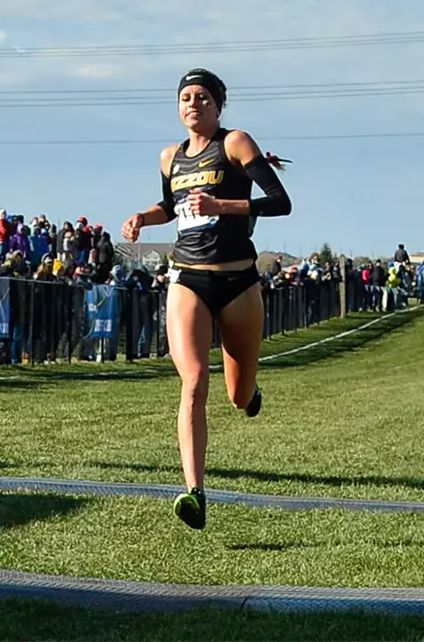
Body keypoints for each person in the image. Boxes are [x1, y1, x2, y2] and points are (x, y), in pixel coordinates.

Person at [119, 68, 291, 530]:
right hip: (187, 279)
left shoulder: (235, 143)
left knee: (236, 396)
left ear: (218, 105)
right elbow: (171, 207)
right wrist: (142, 218)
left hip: (238, 282)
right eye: (185, 98)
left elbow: (279, 201)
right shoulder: (168, 157)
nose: (192, 104)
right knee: (193, 381)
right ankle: (194, 492)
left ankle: (251, 391)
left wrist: (223, 206)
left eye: (202, 98)